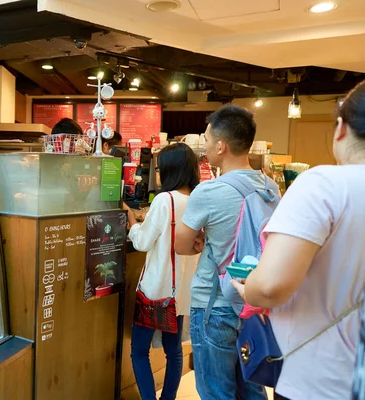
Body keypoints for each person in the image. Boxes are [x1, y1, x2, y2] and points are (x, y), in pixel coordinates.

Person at [232, 81, 365, 400]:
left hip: (321, 381)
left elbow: (269, 287)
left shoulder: (325, 185)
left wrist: (247, 286)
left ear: (340, 129)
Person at [175, 105, 268, 400]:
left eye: (206, 137)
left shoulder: (209, 191)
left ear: (221, 145)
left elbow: (180, 244)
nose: (204, 144)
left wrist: (203, 238)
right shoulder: (270, 187)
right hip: (252, 300)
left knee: (217, 392)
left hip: (213, 303)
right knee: (251, 387)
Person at [123, 143, 199, 400]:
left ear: (171, 170)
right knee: (174, 350)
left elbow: (142, 242)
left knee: (139, 351)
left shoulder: (164, 200)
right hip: (181, 293)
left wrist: (131, 221)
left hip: (156, 291)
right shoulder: (197, 200)